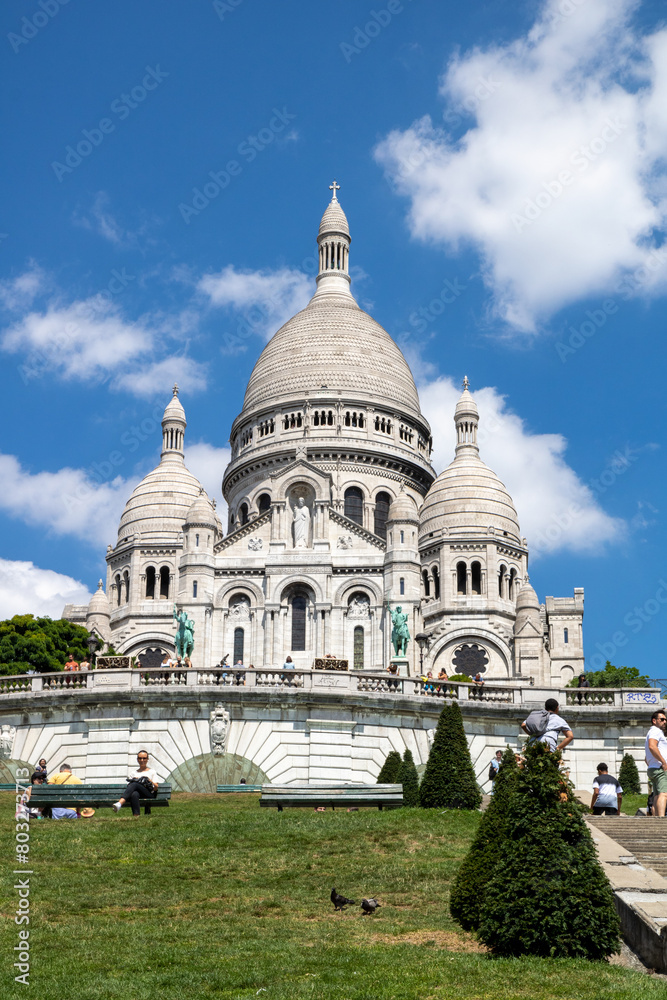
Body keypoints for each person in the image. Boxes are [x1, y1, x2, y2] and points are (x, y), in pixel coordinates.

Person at [112, 751, 159, 818]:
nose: (142, 760)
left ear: (147, 759)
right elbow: (130, 788)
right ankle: (136, 816)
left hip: (149, 794)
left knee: (135, 784)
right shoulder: (133, 773)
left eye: (144, 758)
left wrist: (149, 781)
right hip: (138, 794)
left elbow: (156, 787)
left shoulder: (152, 772)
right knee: (134, 794)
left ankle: (120, 803)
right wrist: (136, 780)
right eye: (140, 758)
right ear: (137, 759)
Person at [645, 709, 667, 818]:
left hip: (653, 768)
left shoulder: (651, 732)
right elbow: (652, 746)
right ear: (654, 720)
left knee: (657, 796)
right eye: (662, 719)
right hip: (659, 768)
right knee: (664, 794)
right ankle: (662, 820)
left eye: (665, 720)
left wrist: (651, 764)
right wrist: (663, 762)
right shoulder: (656, 731)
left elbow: (646, 757)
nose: (665, 722)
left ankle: (656, 819)